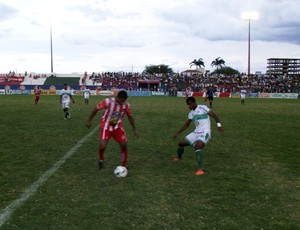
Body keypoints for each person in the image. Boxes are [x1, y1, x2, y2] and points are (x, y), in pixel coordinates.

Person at [86, 90, 138, 169]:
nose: (122, 103)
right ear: (117, 97)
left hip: (118, 127)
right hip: (106, 126)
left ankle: (124, 165)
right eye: (121, 101)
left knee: (124, 145)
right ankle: (101, 159)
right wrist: (89, 120)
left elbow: (130, 117)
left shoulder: (126, 105)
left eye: (124, 101)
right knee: (102, 146)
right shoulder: (108, 101)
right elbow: (96, 108)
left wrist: (135, 129)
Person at [172, 96, 224, 176]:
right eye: (187, 105)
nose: (189, 106)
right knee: (181, 143)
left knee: (197, 147)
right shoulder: (191, 113)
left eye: (190, 104)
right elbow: (186, 125)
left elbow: (214, 115)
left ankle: (200, 169)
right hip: (196, 132)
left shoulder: (203, 108)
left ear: (194, 103)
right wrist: (177, 133)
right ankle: (179, 157)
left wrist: (219, 125)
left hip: (205, 132)